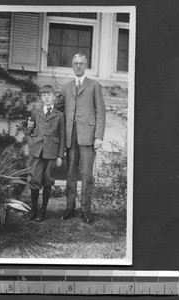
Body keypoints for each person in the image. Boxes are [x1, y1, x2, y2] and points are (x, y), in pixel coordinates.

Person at [56, 53, 106, 223]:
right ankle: (69, 208)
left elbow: (101, 112)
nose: (78, 66)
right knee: (70, 173)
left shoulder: (94, 86)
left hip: (88, 136)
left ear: (86, 66)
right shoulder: (67, 87)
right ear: (72, 66)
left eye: (81, 64)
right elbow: (57, 110)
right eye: (75, 63)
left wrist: (98, 136)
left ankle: (86, 210)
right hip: (71, 135)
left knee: (86, 174)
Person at [27, 85, 65, 222]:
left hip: (51, 153)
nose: (46, 97)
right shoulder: (35, 113)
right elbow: (29, 132)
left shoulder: (59, 115)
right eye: (43, 95)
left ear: (54, 97)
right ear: (41, 98)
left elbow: (62, 136)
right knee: (34, 180)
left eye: (49, 94)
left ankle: (42, 212)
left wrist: (60, 155)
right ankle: (33, 210)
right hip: (36, 153)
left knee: (47, 181)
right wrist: (32, 145)